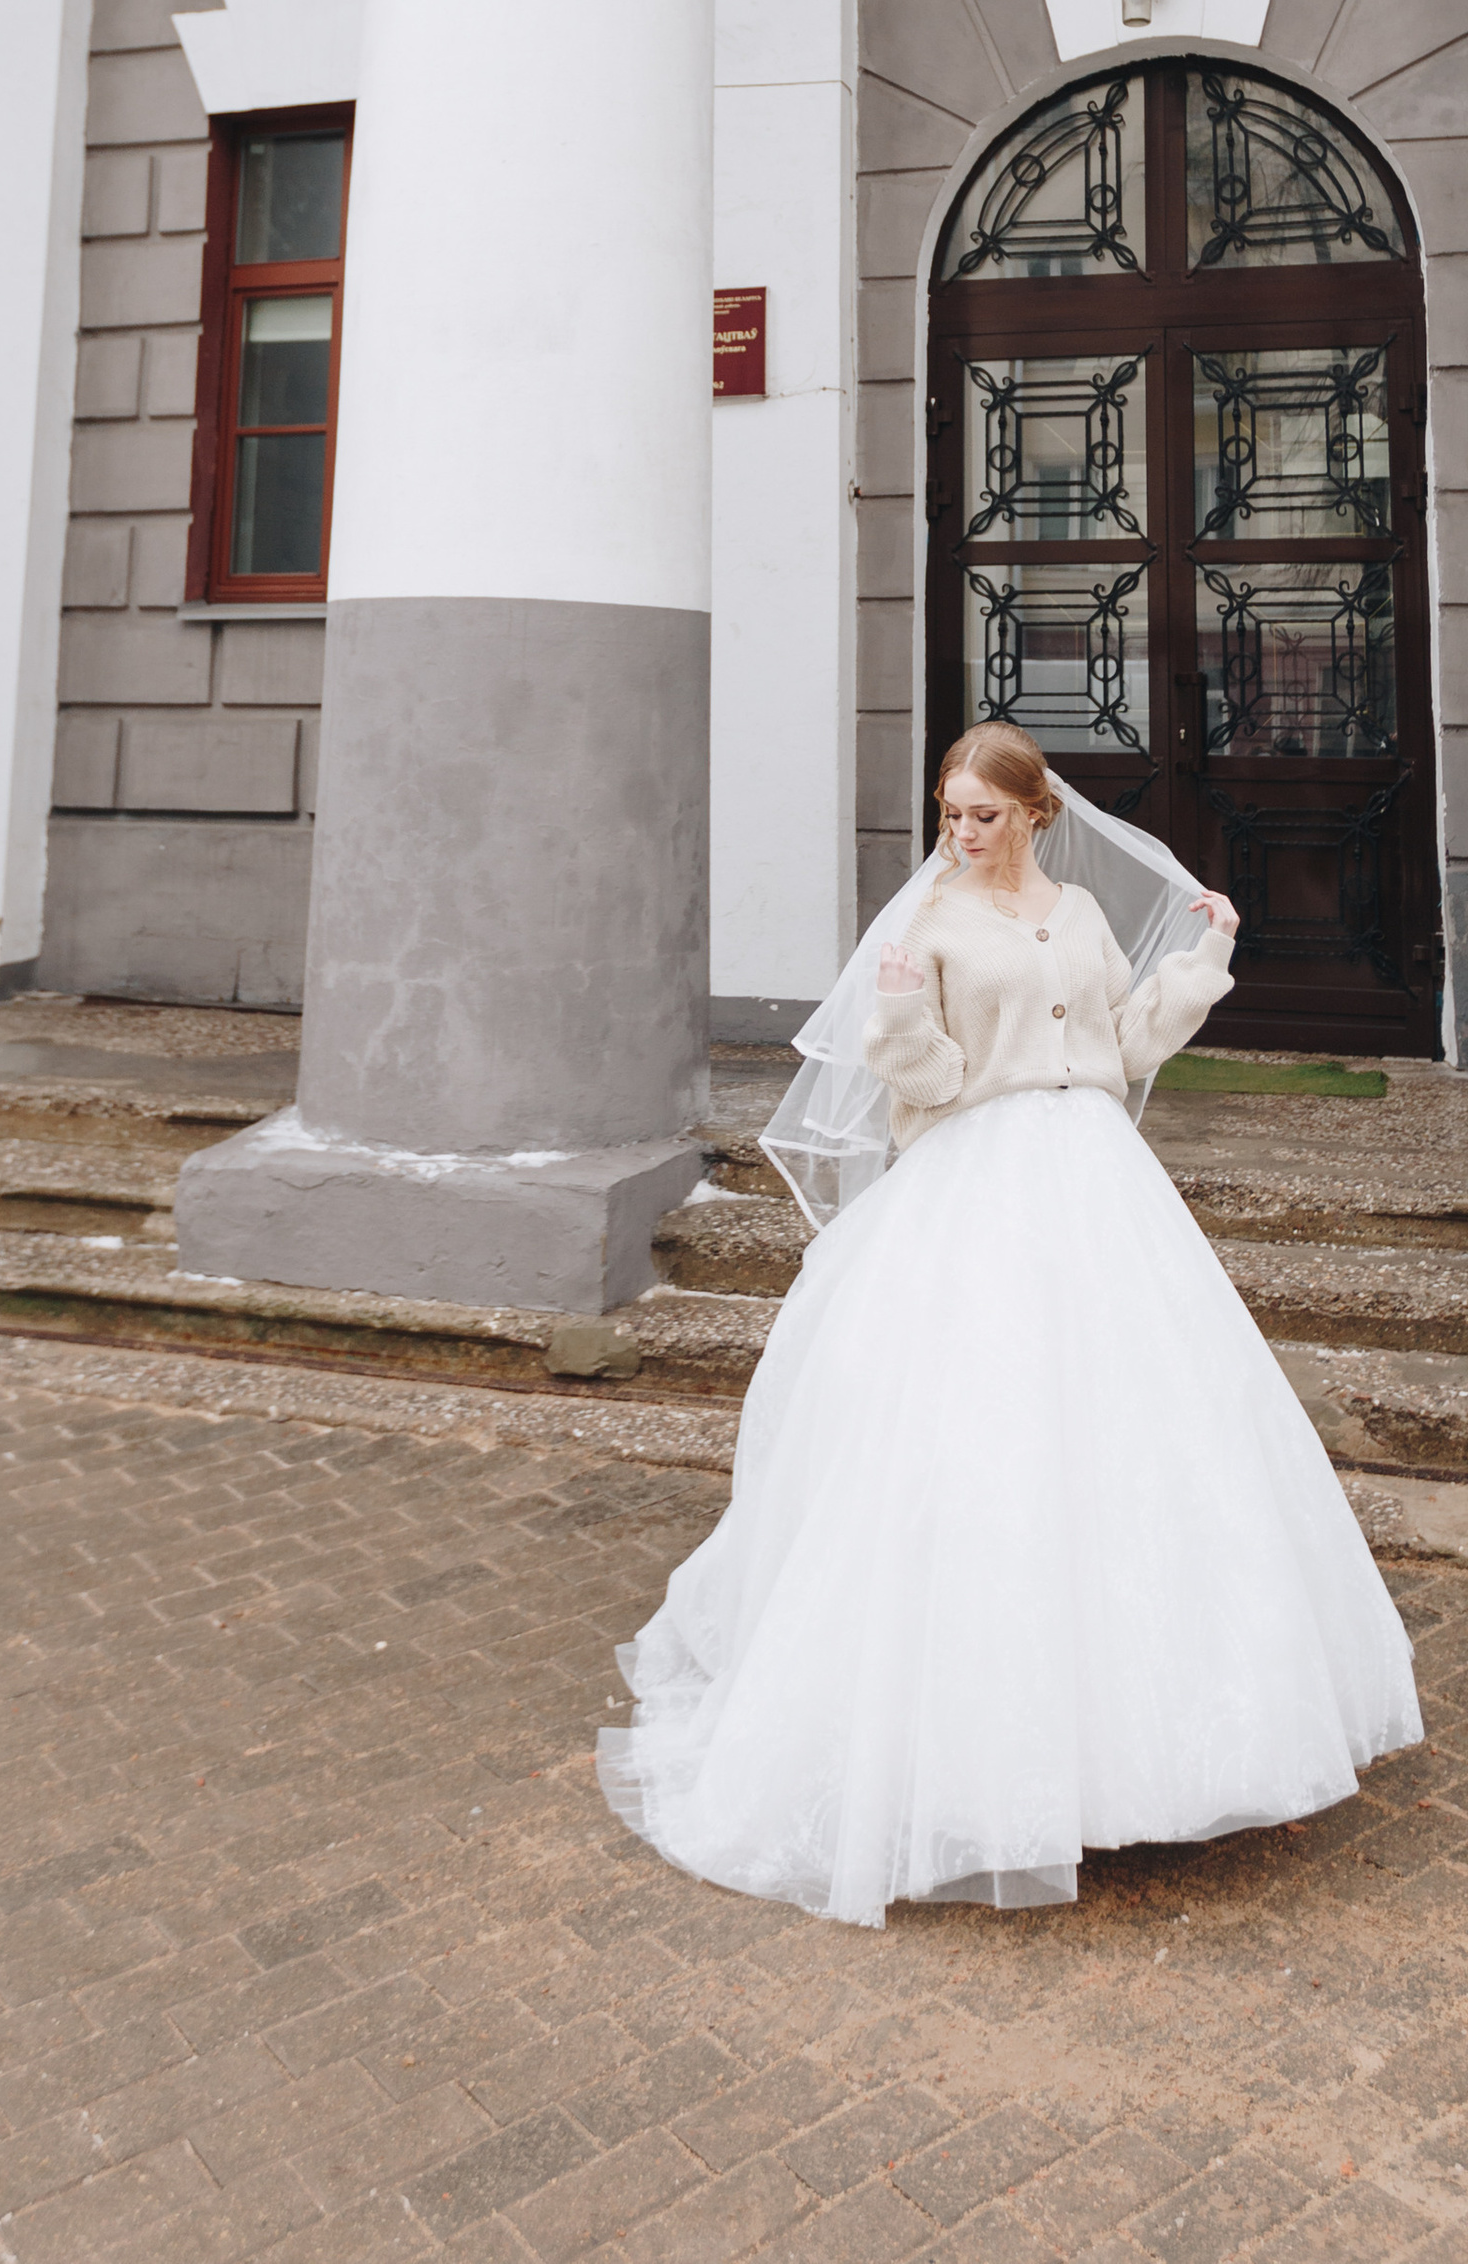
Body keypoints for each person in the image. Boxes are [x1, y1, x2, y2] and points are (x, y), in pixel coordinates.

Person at [596, 720, 1423, 1926]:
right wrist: (894, 1021)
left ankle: (1161, 1743)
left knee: (1139, 1437)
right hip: (972, 1176)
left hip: (1093, 1175)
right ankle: (975, 1758)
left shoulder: (1082, 917)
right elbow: (920, 1086)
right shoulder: (926, 926)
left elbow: (1126, 1045)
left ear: (1036, 812)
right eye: (950, 813)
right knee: (972, 1438)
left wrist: (1199, 963)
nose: (963, 833)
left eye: (985, 813)